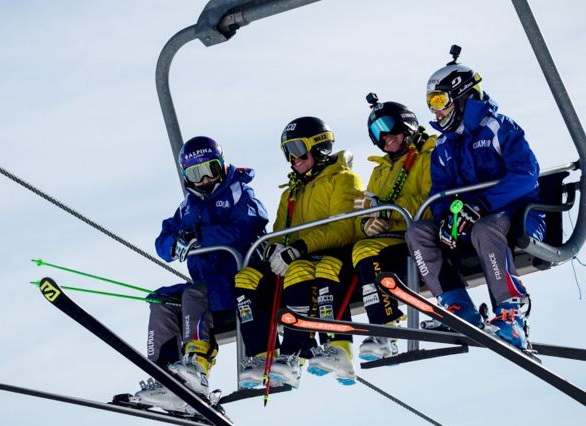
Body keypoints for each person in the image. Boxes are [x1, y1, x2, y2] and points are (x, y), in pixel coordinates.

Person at [405, 46, 545, 350]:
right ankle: (456, 305)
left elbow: (526, 174)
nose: (435, 111)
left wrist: (482, 205)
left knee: (485, 227)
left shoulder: (498, 127)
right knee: (417, 232)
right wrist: (446, 219)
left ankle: (510, 311)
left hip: (516, 215)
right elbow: (439, 193)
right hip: (468, 223)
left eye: (439, 101)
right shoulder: (443, 145)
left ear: (461, 97)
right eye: (430, 103)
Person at [133, 136, 269, 412]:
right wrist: (177, 242)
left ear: (222, 166)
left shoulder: (238, 191)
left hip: (239, 283)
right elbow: (162, 242)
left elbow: (248, 227)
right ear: (187, 176)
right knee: (161, 299)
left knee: (194, 294)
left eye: (210, 169)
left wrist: (200, 236)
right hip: (208, 288)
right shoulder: (188, 206)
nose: (205, 179)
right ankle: (165, 376)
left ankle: (197, 365)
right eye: (196, 174)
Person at [235, 116, 364, 388]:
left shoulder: (343, 179)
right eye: (287, 152)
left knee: (301, 270)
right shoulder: (291, 193)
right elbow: (281, 232)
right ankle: (263, 357)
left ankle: (309, 352)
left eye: (297, 149)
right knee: (246, 278)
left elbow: (342, 228)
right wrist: (274, 247)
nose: (293, 159)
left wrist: (298, 248)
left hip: (335, 257)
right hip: (299, 259)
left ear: (319, 147)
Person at [351, 93, 435, 361]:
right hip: (391, 237)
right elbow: (364, 208)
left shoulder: (428, 155)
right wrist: (367, 223)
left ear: (406, 123)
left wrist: (390, 210)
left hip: (421, 232)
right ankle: (383, 329)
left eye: (388, 127)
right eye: (376, 133)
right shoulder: (379, 171)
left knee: (366, 251)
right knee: (362, 248)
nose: (385, 137)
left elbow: (432, 201)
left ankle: (385, 327)